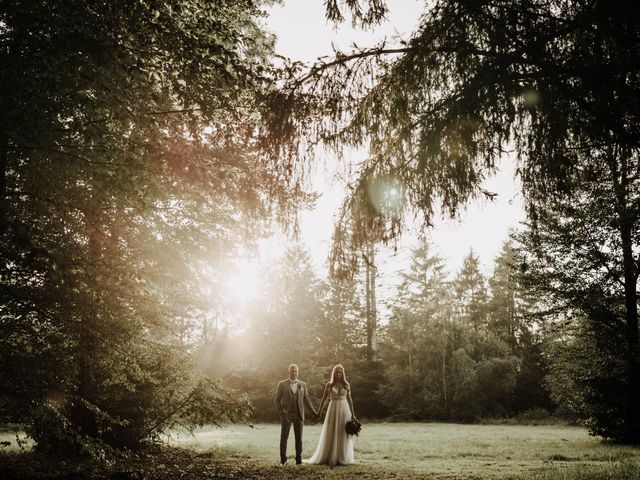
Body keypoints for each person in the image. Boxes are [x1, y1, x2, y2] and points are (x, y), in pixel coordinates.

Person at [305, 364, 357, 466]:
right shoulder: (329, 385)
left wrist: (353, 414)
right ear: (334, 373)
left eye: (340, 372)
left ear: (342, 373)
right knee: (331, 430)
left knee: (343, 432)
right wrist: (319, 412)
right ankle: (330, 455)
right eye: (337, 372)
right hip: (332, 408)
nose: (338, 374)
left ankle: (342, 456)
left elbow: (350, 400)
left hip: (344, 409)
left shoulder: (347, 385)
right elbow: (324, 399)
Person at [274, 363, 318, 465]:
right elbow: (277, 400)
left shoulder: (302, 385)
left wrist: (314, 413)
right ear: (288, 372)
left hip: (299, 414)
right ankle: (283, 460)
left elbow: (306, 400)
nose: (294, 373)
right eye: (292, 371)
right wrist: (282, 412)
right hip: (287, 415)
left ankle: (298, 460)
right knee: (284, 438)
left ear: (298, 373)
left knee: (299, 438)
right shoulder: (282, 384)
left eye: (296, 371)